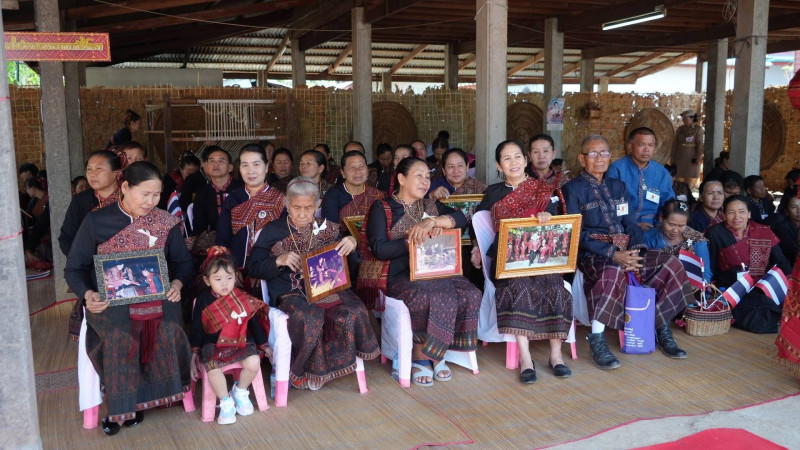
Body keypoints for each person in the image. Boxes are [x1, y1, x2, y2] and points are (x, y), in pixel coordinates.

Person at [64, 161, 193, 436]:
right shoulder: (96, 221)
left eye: (156, 195)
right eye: (145, 194)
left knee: (168, 328)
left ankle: (149, 396)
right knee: (119, 336)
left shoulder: (165, 222)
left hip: (157, 298)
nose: (151, 202)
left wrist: (177, 283)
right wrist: (88, 294)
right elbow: (74, 268)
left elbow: (183, 263)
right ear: (124, 187)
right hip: (111, 303)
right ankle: (121, 406)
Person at [563, 135, 692, 370]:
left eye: (604, 153)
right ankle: (597, 339)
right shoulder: (572, 190)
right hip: (594, 254)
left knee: (671, 264)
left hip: (628, 250)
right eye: (593, 154)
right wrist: (613, 253)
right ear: (582, 159)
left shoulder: (617, 187)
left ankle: (661, 326)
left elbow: (630, 223)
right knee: (613, 271)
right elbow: (575, 233)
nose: (599, 158)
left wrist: (637, 251)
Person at [248, 177, 379, 390]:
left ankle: (332, 363)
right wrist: (278, 260)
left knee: (354, 310)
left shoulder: (328, 229)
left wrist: (351, 244)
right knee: (310, 317)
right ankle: (306, 369)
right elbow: (253, 267)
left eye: (308, 208)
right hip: (292, 293)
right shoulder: (273, 230)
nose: (302, 214)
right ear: (286, 204)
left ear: (317, 205)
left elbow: (349, 266)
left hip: (327, 289)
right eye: (296, 207)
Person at [365, 157, 480, 386]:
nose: (425, 181)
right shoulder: (383, 207)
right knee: (430, 296)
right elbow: (379, 249)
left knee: (470, 292)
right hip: (398, 275)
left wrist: (433, 222)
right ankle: (421, 356)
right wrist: (413, 239)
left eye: (428, 177)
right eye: (419, 176)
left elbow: (461, 218)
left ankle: (438, 349)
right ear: (401, 179)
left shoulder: (429, 206)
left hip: (434, 270)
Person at [473, 140, 573, 383]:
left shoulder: (543, 190)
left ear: (525, 160)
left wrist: (548, 217)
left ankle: (556, 355)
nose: (513, 162)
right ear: (499, 165)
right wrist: (476, 246)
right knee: (519, 287)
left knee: (556, 287)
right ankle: (525, 358)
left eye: (517, 156)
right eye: (506, 158)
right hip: (506, 260)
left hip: (540, 258)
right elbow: (476, 220)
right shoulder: (493, 192)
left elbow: (558, 227)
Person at [190, 247, 270, 425]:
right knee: (213, 369)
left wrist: (264, 346)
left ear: (236, 276)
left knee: (254, 362)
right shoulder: (203, 300)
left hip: (241, 342)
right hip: (213, 345)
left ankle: (240, 391)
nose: (224, 284)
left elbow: (254, 324)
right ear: (207, 280)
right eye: (218, 279)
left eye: (229, 278)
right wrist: (194, 353)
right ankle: (225, 401)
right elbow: (196, 328)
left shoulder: (242, 297)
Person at [705, 195, 791, 333]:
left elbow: (780, 260)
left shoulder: (763, 230)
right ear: (724, 215)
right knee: (761, 314)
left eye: (742, 212)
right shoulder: (715, 233)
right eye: (731, 212)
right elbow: (712, 265)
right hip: (732, 288)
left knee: (772, 304)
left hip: (762, 285)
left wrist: (791, 281)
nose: (737, 217)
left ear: (749, 213)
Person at [217, 144, 285, 269]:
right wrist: (229, 270)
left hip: (270, 268)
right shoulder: (233, 199)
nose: (250, 171)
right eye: (245, 165)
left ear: (266, 167)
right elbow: (223, 238)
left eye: (256, 164)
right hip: (237, 269)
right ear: (239, 168)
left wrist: (271, 267)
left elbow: (286, 239)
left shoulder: (280, 199)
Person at [606, 127, 674, 230]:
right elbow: (611, 203)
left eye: (650, 145)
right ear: (630, 146)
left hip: (654, 225)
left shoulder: (662, 172)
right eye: (642, 144)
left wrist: (659, 224)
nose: (646, 149)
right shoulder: (617, 169)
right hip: (624, 225)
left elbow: (668, 202)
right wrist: (634, 225)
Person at [189, 147, 242, 255]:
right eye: (212, 161)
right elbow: (199, 225)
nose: (216, 164)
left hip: (240, 238)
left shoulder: (241, 189)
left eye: (221, 161)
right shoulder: (202, 193)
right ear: (206, 167)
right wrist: (193, 239)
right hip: (213, 241)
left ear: (230, 167)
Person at [644, 199, 712, 284]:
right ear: (661, 218)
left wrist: (692, 287)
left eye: (681, 226)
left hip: (689, 287)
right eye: (671, 224)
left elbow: (705, 274)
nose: (675, 230)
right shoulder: (649, 237)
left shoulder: (697, 240)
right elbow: (643, 268)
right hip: (655, 284)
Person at [320, 150, 384, 230]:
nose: (358, 171)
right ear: (343, 173)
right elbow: (330, 229)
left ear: (367, 171)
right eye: (352, 167)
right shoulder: (332, 196)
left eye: (361, 166)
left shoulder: (377, 196)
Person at [766, 186, 800, 267]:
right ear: (786, 211)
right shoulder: (782, 228)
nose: (799, 211)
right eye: (794, 207)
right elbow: (793, 253)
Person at [671, 109, 704, 188]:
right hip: (679, 155)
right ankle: (677, 191)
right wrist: (672, 156)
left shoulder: (698, 129)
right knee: (677, 174)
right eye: (683, 118)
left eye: (686, 118)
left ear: (692, 118)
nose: (683, 120)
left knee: (688, 176)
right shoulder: (680, 129)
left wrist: (698, 157)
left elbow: (699, 144)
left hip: (691, 156)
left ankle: (687, 192)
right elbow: (675, 143)